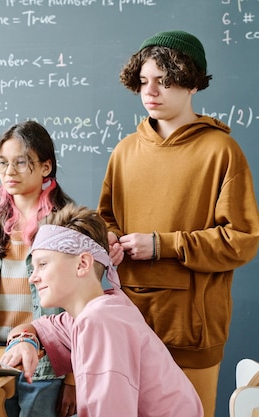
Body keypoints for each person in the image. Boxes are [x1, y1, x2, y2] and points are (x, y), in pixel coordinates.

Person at [97, 30, 259, 416]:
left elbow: (242, 239)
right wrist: (111, 239)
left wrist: (162, 245)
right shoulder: (124, 151)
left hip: (191, 329)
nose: (150, 92)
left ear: (192, 83)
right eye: (144, 82)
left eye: (164, 81)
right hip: (130, 323)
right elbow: (106, 220)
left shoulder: (221, 151)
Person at [1, 204, 204, 416]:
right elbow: (35, 327)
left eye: (43, 264)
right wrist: (24, 341)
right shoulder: (97, 310)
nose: (33, 277)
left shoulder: (101, 320)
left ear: (82, 264)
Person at [0, 121, 86, 417]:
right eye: (3, 163)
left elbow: (80, 307)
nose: (10, 172)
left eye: (21, 162)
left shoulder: (66, 224)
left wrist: (72, 378)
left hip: (45, 360)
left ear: (46, 167)